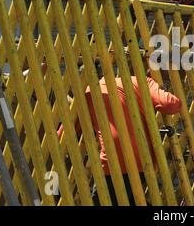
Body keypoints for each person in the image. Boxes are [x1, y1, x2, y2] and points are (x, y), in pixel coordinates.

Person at [58, 60, 182, 206]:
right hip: (144, 159)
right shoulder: (138, 82)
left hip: (114, 161)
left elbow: (62, 136)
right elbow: (172, 104)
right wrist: (161, 91)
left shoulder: (85, 96)